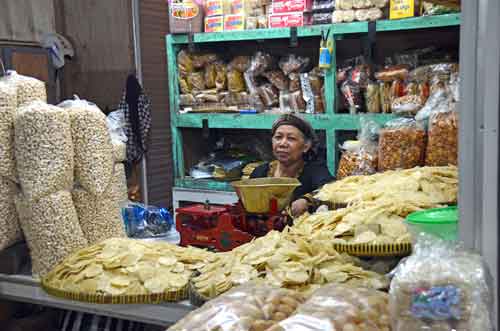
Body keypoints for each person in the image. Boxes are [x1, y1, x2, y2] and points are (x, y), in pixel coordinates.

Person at [250, 113, 334, 217]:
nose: (282, 144)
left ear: (306, 146)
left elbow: (331, 189)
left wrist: (307, 200)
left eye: (291, 138)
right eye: (278, 137)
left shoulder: (314, 171)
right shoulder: (259, 173)